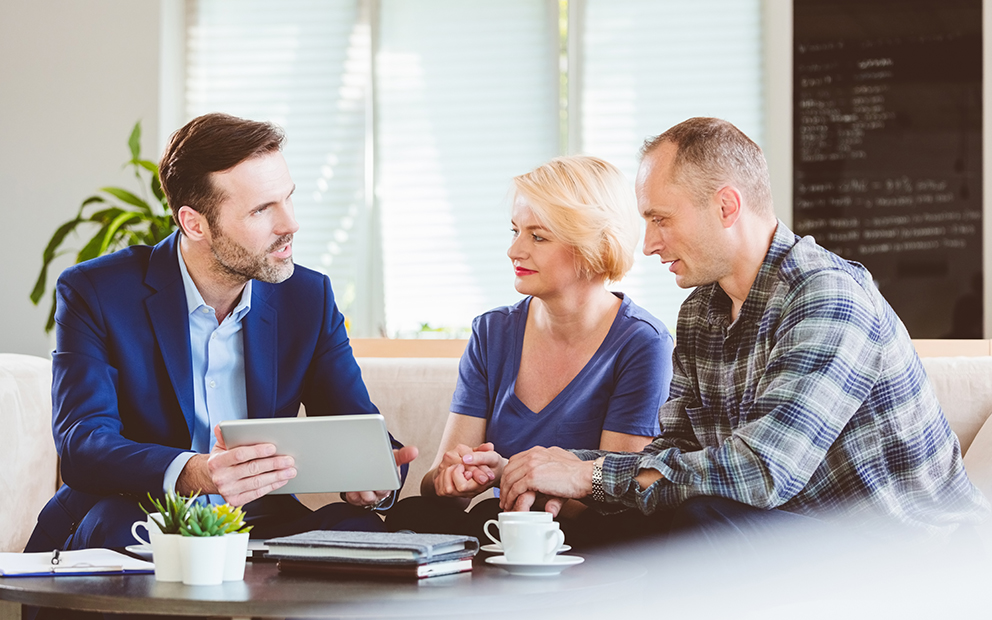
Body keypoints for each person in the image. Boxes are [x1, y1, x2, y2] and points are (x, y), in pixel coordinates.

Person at [492, 117, 989, 543]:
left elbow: (762, 472)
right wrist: (556, 469)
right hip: (792, 532)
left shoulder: (826, 298)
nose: (647, 244)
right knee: (616, 525)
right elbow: (677, 457)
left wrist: (589, 475)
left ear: (726, 207)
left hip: (904, 553)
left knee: (698, 521)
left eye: (660, 219)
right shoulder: (701, 312)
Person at [25, 113, 417, 555]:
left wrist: (375, 476)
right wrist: (196, 471)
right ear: (195, 224)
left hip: (258, 523)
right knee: (121, 529)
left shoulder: (308, 297)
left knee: (361, 531)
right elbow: (83, 443)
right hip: (133, 516)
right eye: (262, 209)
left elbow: (356, 426)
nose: (290, 224)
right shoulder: (96, 291)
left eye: (288, 199)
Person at [386, 155, 674, 545]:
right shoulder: (492, 331)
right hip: (500, 527)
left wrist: (508, 474)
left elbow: (617, 501)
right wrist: (454, 480)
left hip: (576, 536)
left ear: (593, 246)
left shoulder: (643, 343)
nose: (514, 251)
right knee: (414, 514)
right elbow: (435, 487)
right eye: (515, 231)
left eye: (537, 237)